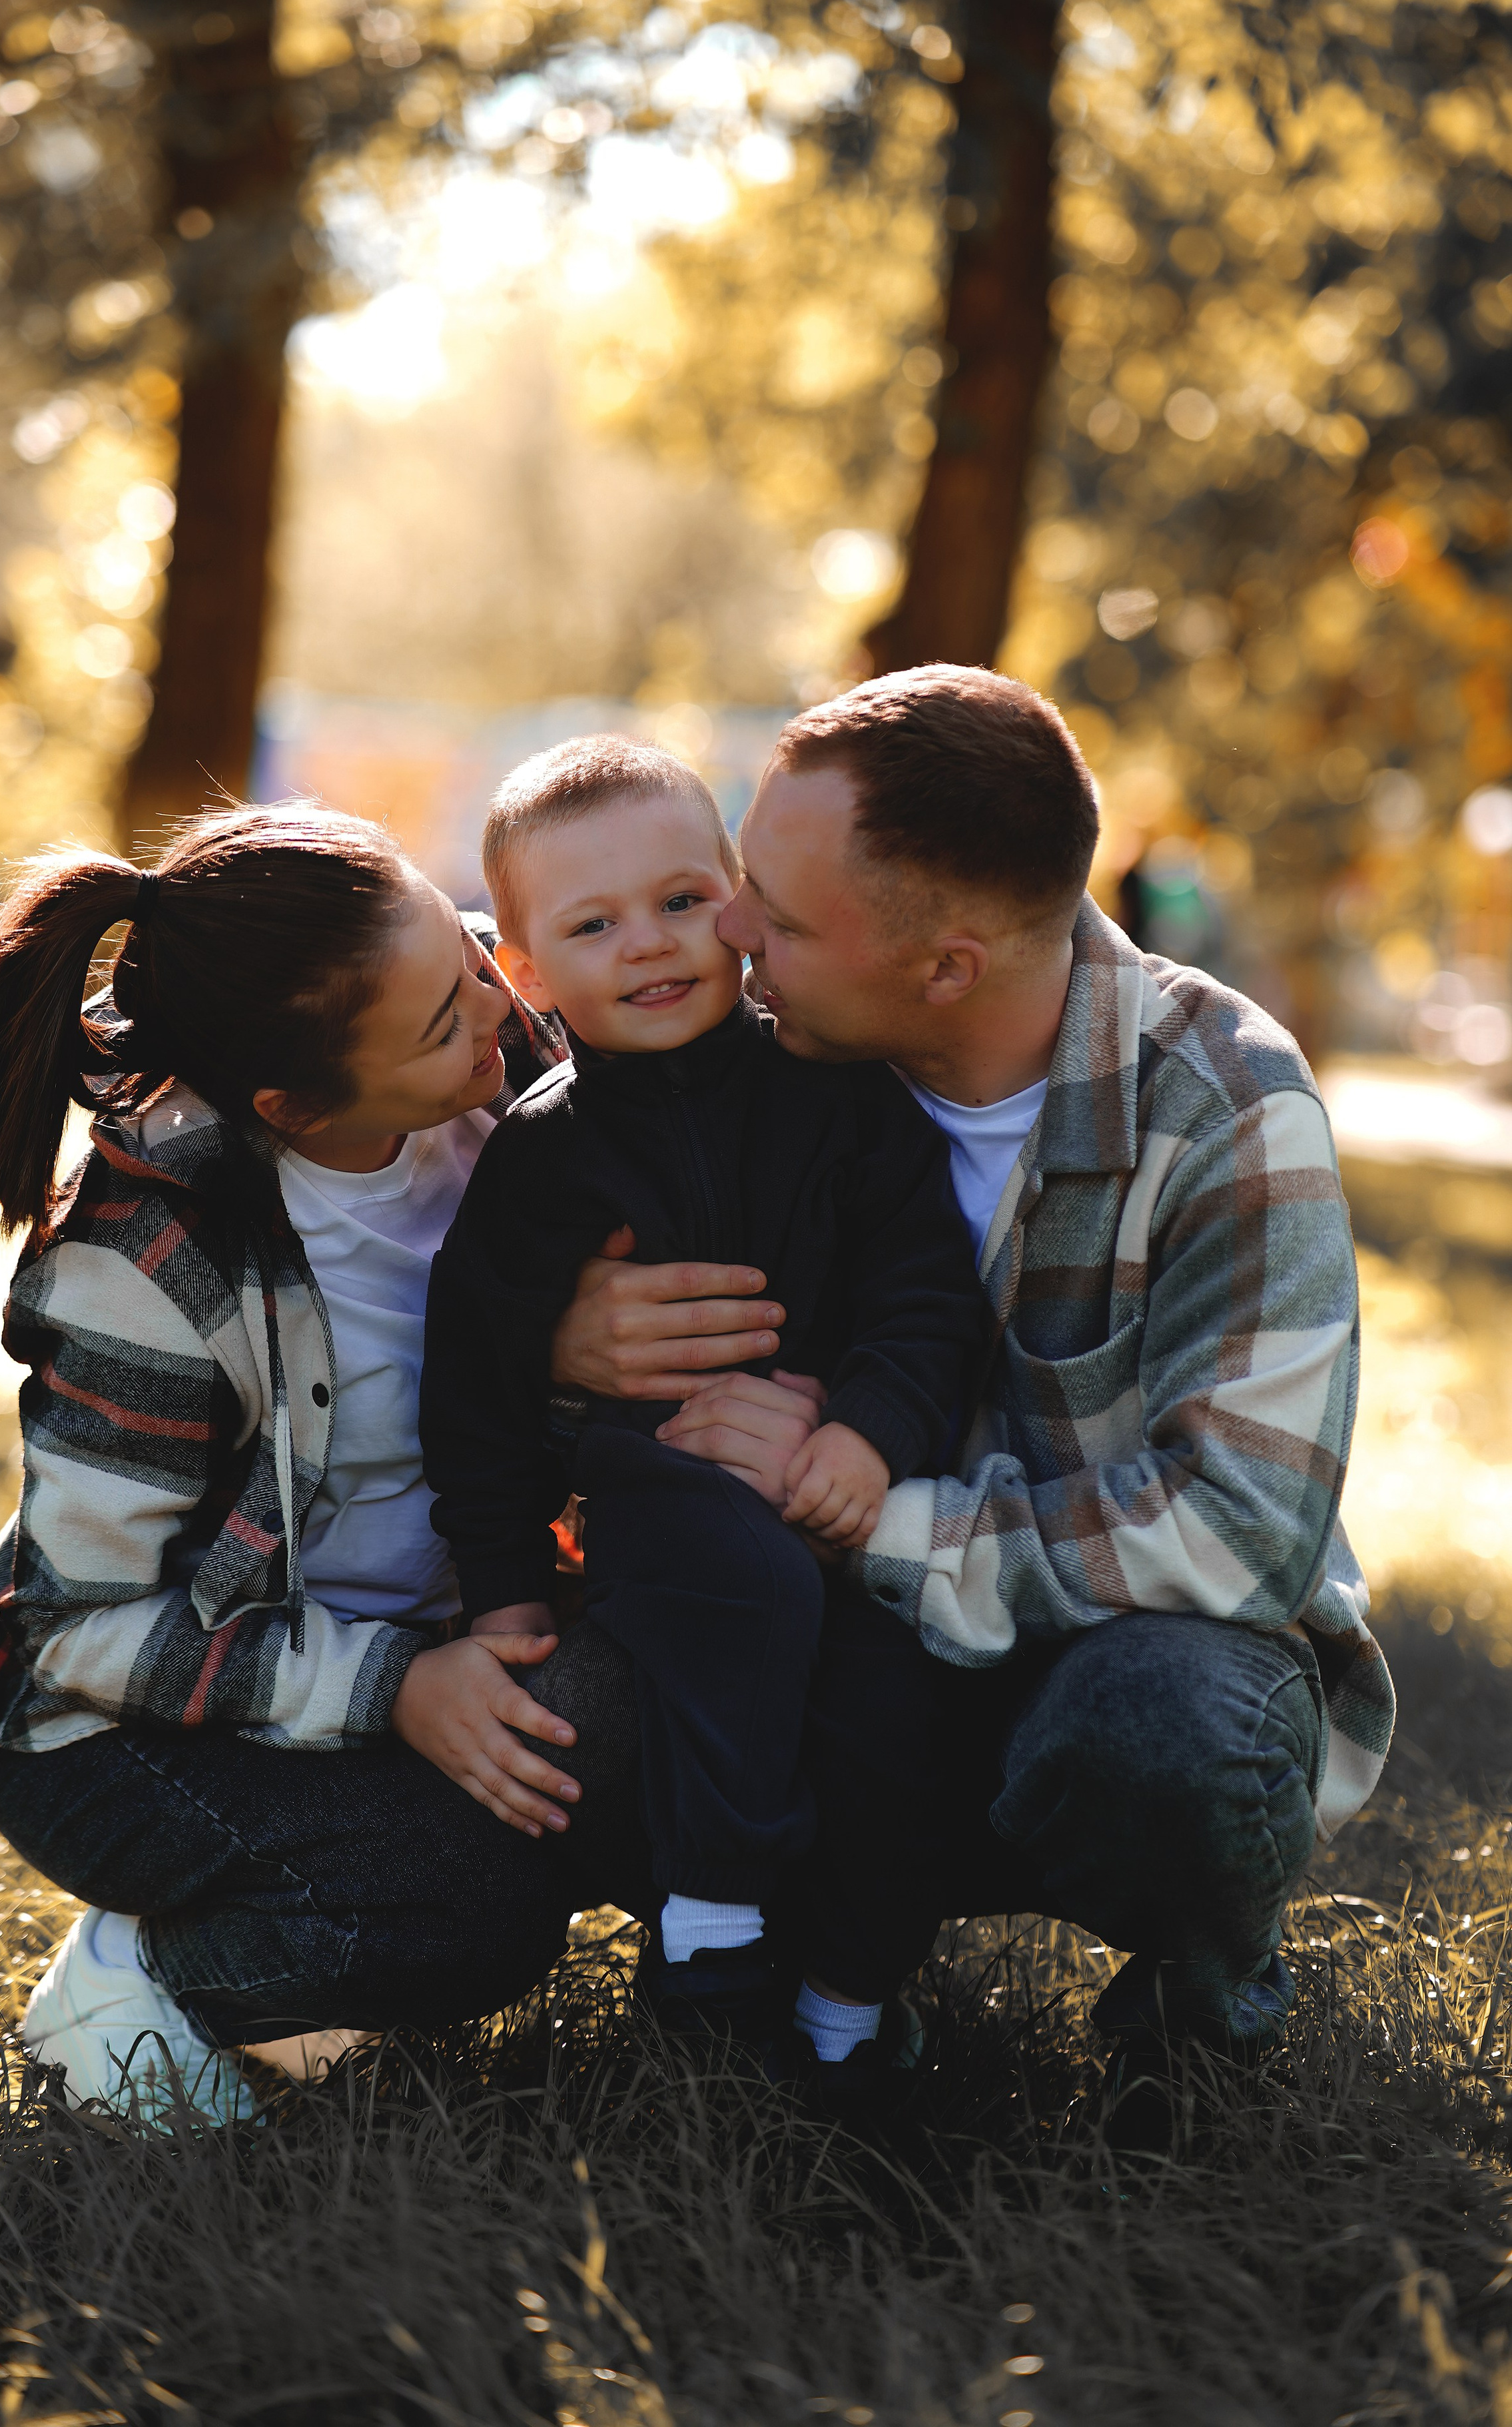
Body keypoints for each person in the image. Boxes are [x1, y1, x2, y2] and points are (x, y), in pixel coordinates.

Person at [556, 665, 1394, 2121]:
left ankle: (1195, 2026)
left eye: (783, 916)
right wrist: (560, 1335)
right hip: (820, 1660)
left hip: (1095, 1671)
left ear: (945, 966)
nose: (731, 931)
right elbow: (413, 1067)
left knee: (1171, 1735)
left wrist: (869, 1517)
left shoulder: (1222, 1102)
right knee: (588, 1682)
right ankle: (778, 1976)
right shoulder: (758, 1050)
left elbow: (1241, 1531)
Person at [0, 801, 672, 2123]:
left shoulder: (505, 1025)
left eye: (471, 951)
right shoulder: (144, 1270)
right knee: (475, 1918)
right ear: (296, 1106)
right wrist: (396, 1692)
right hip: (120, 1727)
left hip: (439, 1631)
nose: (504, 1006)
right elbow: (83, 1636)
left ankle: (746, 1987)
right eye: (444, 1022)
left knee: (643, 1711)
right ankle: (142, 1979)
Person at [420, 738, 984, 2050]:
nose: (650, 945)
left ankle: (848, 2003)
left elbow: (925, 1296)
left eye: (681, 900)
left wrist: (866, 1429)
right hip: (651, 1499)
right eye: (593, 923)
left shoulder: (841, 1099)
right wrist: (502, 1583)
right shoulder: (540, 1156)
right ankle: (709, 1927)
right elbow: (479, 1390)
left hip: (836, 1496)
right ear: (522, 967)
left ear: (737, 899)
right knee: (745, 1586)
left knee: (889, 1710)